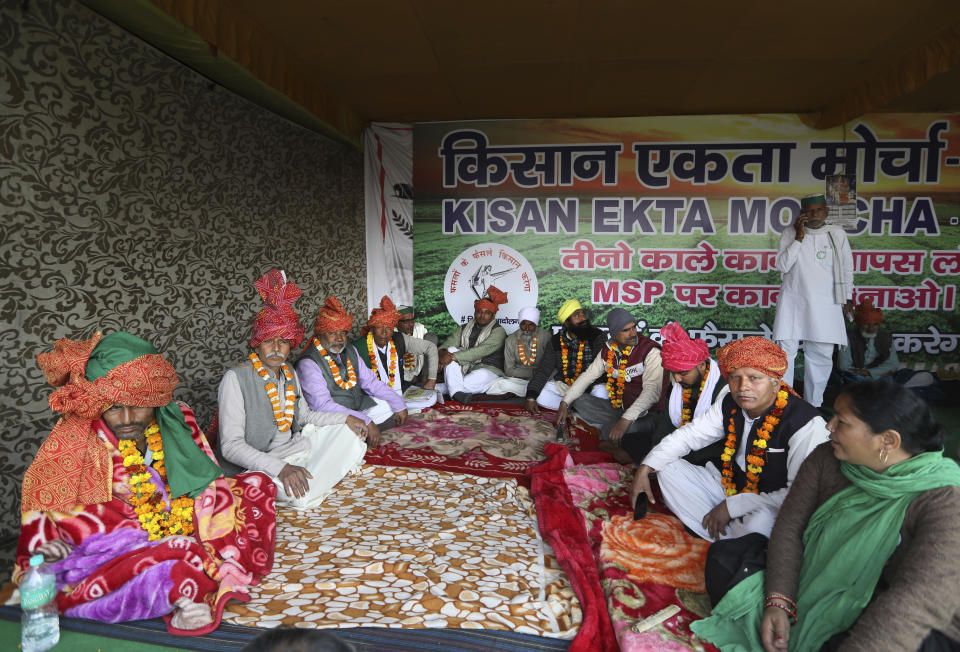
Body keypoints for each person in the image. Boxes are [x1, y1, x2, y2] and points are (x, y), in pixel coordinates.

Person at [16, 332, 276, 634]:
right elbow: (49, 508)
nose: (127, 418)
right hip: (121, 544)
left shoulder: (180, 421)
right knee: (175, 562)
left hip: (182, 520)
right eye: (114, 407)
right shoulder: (75, 442)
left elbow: (210, 483)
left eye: (138, 405)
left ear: (156, 400)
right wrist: (47, 543)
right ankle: (177, 594)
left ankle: (181, 571)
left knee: (257, 485)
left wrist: (204, 524)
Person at [692, 381, 960, 652]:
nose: (828, 426)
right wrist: (779, 600)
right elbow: (790, 526)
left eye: (841, 422)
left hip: (879, 604)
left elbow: (916, 600)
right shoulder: (827, 456)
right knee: (724, 558)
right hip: (811, 575)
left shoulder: (944, 499)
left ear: (888, 441)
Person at [631, 337, 829, 541]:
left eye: (754, 378)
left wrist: (733, 507)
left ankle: (728, 536)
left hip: (773, 505)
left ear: (776, 383)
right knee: (667, 468)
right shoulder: (730, 403)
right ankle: (727, 535)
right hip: (732, 487)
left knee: (759, 523)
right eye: (735, 377)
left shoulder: (805, 423)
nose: (743, 387)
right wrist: (646, 466)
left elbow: (801, 494)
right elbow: (689, 436)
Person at [217, 269, 368, 509]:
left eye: (284, 341)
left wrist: (347, 418)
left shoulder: (289, 372)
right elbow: (231, 446)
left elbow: (306, 417)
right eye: (269, 340)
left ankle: (310, 476)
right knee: (301, 496)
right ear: (257, 344)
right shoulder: (235, 378)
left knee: (349, 433)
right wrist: (281, 468)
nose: (276, 348)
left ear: (290, 345)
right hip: (261, 464)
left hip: (297, 448)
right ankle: (309, 479)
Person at [772, 193, 854, 408]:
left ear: (826, 212)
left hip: (826, 304)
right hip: (793, 301)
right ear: (802, 214)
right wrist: (799, 237)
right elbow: (783, 265)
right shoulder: (790, 232)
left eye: (819, 210)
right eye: (809, 211)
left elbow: (846, 268)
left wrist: (847, 298)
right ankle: (784, 406)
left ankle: (812, 406)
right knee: (785, 353)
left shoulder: (837, 234)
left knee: (820, 355)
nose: (814, 214)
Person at [557, 308, 667, 464]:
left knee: (624, 429)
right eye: (626, 330)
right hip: (621, 409)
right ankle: (617, 438)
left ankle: (618, 439)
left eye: (634, 327)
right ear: (614, 333)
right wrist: (565, 402)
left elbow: (652, 392)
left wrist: (625, 421)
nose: (633, 333)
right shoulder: (608, 349)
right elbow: (588, 376)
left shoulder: (650, 351)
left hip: (648, 415)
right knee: (580, 400)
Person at [297, 296, 408, 436]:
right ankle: (361, 434)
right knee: (340, 431)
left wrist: (398, 402)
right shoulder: (308, 363)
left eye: (343, 333)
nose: (339, 339)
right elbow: (322, 406)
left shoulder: (350, 350)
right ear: (320, 334)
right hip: (333, 417)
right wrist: (365, 420)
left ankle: (363, 434)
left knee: (390, 404)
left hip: (357, 407)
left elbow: (371, 382)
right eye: (332, 333)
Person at [655, 322, 729, 459]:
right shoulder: (677, 385)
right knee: (635, 440)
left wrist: (667, 455)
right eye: (673, 373)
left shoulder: (724, 389)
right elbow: (666, 423)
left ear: (701, 365)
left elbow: (712, 434)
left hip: (711, 450)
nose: (677, 379)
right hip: (679, 442)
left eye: (682, 373)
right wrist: (655, 451)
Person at [352, 295, 439, 410]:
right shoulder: (358, 347)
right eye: (379, 327)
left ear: (393, 329)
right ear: (372, 329)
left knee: (431, 398)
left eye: (388, 328)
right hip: (374, 397)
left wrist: (432, 380)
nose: (384, 333)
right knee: (382, 406)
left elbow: (431, 347)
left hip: (400, 391)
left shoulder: (399, 338)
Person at [524, 299, 610, 414]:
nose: (583, 318)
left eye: (582, 314)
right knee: (536, 393)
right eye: (577, 315)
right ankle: (578, 408)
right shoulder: (556, 341)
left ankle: (571, 405)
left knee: (603, 392)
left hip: (590, 386)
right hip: (566, 385)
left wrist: (579, 391)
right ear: (567, 322)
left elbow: (597, 371)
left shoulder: (597, 335)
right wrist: (531, 397)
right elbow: (544, 370)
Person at [436, 285, 508, 404]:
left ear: (493, 315)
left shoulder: (498, 331)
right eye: (479, 311)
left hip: (488, 369)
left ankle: (439, 388)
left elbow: (481, 351)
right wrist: (442, 353)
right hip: (466, 368)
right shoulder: (464, 328)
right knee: (450, 349)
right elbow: (447, 345)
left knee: (475, 379)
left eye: (487, 313)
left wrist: (453, 357)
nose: (482, 315)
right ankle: (457, 393)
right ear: (474, 312)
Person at [491, 306, 551, 397]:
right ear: (519, 324)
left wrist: (540, 375)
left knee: (549, 387)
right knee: (498, 384)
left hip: (541, 379)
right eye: (523, 324)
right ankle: (530, 393)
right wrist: (532, 373)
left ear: (536, 325)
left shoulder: (546, 337)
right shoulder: (510, 340)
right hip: (518, 379)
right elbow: (509, 370)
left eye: (531, 324)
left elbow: (552, 366)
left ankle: (527, 392)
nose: (526, 328)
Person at [835, 298, 899, 383]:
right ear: (859, 324)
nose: (871, 328)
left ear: (879, 325)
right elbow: (843, 367)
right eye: (866, 324)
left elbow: (893, 364)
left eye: (875, 324)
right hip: (856, 378)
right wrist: (877, 374)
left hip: (877, 377)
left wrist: (868, 372)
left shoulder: (886, 337)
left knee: (889, 382)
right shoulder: (848, 338)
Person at [396, 304, 439, 387]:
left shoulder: (419, 328)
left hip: (420, 367)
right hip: (401, 371)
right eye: (406, 321)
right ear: (397, 322)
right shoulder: (392, 333)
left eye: (412, 320)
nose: (411, 324)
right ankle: (410, 380)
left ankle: (425, 378)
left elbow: (430, 348)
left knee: (431, 338)